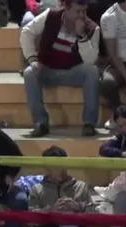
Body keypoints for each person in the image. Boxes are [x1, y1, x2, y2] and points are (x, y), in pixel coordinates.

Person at [20, 0, 102, 137]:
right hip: (47, 69)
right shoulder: (50, 15)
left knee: (92, 71)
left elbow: (90, 60)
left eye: (84, 11)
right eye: (77, 11)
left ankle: (89, 123)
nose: (81, 15)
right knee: (29, 73)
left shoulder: (93, 28)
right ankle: (40, 122)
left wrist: (81, 36)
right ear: (66, 8)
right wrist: (33, 59)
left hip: (73, 71)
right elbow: (26, 32)